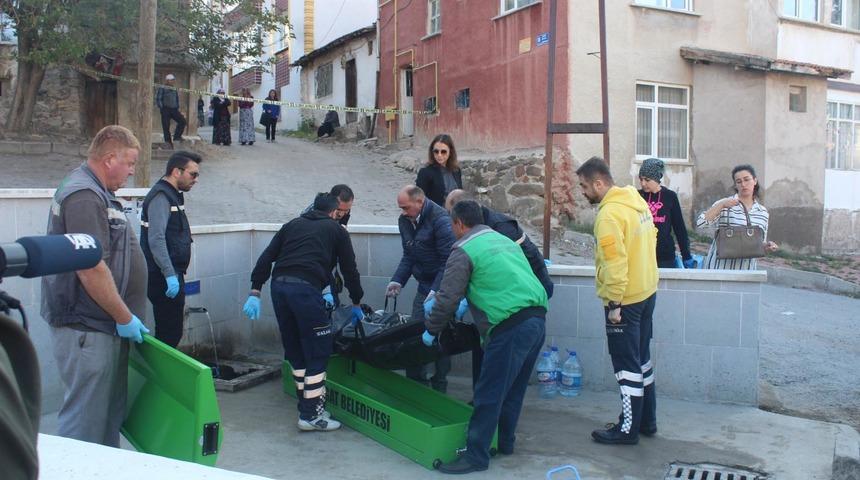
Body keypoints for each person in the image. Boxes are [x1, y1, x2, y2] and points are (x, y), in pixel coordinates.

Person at [41, 125, 149, 447]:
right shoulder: (84, 196)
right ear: (110, 159)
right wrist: (124, 317)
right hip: (87, 326)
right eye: (129, 163)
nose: (132, 171)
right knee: (85, 424)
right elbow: (90, 267)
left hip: (102, 325)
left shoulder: (97, 192)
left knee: (104, 419)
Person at [423, 200, 548, 474]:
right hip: (537, 319)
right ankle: (505, 443)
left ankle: (476, 456)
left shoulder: (463, 249)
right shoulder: (502, 239)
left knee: (488, 392)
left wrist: (432, 329)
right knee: (512, 389)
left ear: (458, 223)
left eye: (451, 225)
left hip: (510, 326)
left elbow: (447, 298)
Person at [242, 193, 365, 432]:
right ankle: (311, 416)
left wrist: (255, 290)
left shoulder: (292, 225)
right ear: (334, 212)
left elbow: (267, 257)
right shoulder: (337, 230)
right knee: (319, 350)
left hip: (279, 288)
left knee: (295, 349)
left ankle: (307, 406)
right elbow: (349, 270)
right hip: (305, 291)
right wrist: (357, 301)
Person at [575, 156, 658, 445]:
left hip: (625, 302)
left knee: (625, 365)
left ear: (599, 183)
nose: (583, 192)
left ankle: (627, 430)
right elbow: (652, 240)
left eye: (584, 186)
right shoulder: (636, 202)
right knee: (641, 359)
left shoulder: (609, 215)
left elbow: (614, 263)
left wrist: (614, 304)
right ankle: (647, 421)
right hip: (646, 292)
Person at [444, 189, 553, 386]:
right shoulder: (479, 228)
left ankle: (488, 394)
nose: (449, 222)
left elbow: (507, 270)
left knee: (499, 356)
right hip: (516, 296)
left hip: (527, 294)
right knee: (487, 345)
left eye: (450, 215)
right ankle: (489, 392)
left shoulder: (500, 228)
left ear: (460, 217)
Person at [386, 185, 456, 392]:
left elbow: (448, 261)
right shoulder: (405, 220)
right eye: (401, 208)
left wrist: (436, 291)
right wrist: (397, 280)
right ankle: (416, 384)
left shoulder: (441, 220)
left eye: (406, 207)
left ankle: (439, 384)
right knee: (414, 336)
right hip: (424, 287)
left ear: (420, 201)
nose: (403, 212)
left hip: (442, 289)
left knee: (442, 338)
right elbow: (409, 254)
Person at [140, 151, 202, 348]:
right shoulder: (161, 196)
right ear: (177, 172)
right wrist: (168, 274)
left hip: (171, 273)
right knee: (169, 333)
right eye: (193, 174)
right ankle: (160, 369)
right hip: (162, 276)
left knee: (172, 331)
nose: (196, 180)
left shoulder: (173, 195)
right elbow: (156, 239)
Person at [696, 164, 779, 270]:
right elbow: (701, 223)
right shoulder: (724, 203)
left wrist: (767, 246)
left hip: (746, 271)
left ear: (755, 181)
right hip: (718, 269)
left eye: (746, 179)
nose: (743, 184)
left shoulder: (762, 212)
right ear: (735, 185)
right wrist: (721, 205)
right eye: (739, 181)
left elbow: (758, 244)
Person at [300, 185, 355, 306]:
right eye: (339, 210)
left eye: (347, 210)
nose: (342, 214)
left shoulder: (344, 210)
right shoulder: (313, 213)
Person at [637, 158, 696, 269]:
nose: (643, 183)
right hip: (641, 256)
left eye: (647, 180)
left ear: (657, 178)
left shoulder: (670, 196)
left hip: (665, 257)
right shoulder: (636, 196)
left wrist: (686, 255)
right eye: (641, 179)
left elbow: (679, 228)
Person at [416, 134, 463, 208]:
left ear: (450, 152)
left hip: (455, 212)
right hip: (436, 213)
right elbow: (419, 200)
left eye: (443, 152)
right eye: (436, 151)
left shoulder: (456, 170)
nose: (439, 155)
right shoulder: (425, 172)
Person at [156, 73, 186, 146]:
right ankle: (168, 142)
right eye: (171, 80)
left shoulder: (174, 88)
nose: (172, 82)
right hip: (165, 109)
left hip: (174, 109)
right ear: (167, 81)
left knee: (182, 121)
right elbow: (158, 98)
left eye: (173, 80)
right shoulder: (162, 88)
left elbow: (176, 99)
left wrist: (177, 107)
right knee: (166, 126)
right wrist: (162, 108)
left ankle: (176, 137)